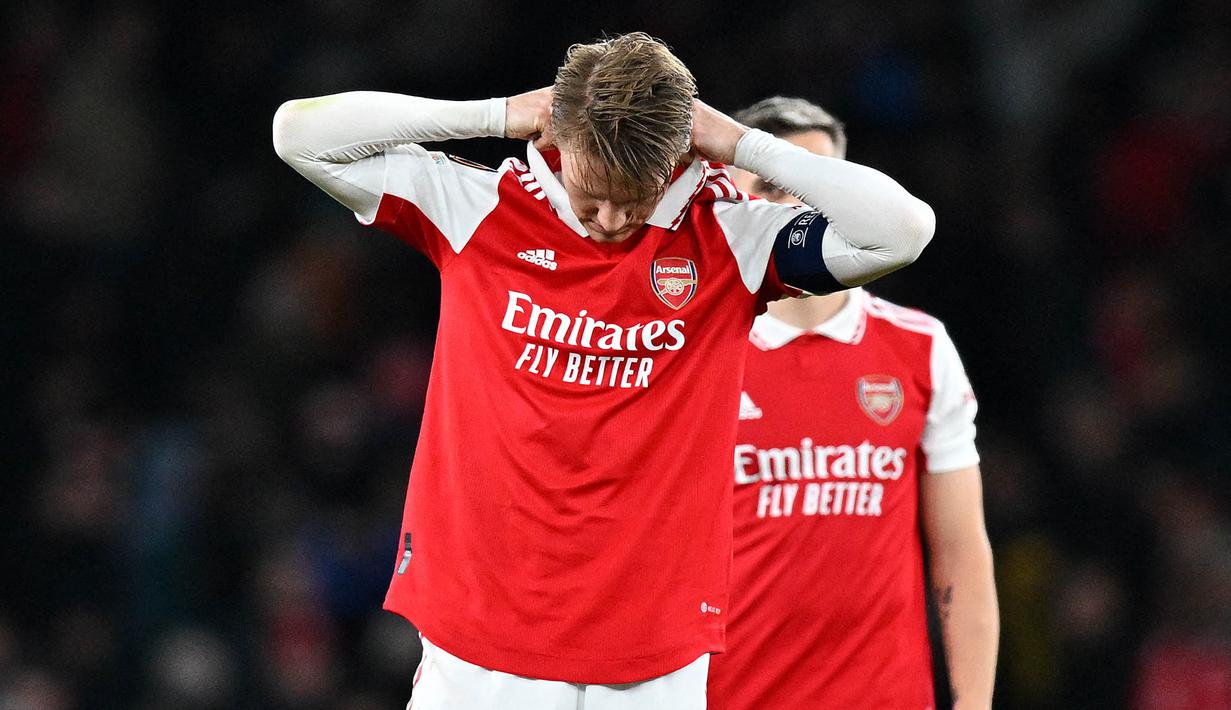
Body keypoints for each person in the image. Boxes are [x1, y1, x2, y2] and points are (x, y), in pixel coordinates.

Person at [272, 34, 935, 709]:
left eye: (635, 200)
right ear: (561, 143)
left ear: (676, 158)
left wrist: (738, 143)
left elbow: (902, 231)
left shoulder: (729, 236)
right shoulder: (477, 207)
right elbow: (297, 133)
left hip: (653, 653)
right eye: (592, 196)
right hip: (482, 639)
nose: (612, 220)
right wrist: (497, 115)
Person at [706, 96, 998, 710]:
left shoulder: (919, 349)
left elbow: (961, 552)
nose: (800, 204)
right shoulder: (694, 354)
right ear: (731, 198)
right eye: (773, 185)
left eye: (818, 183)